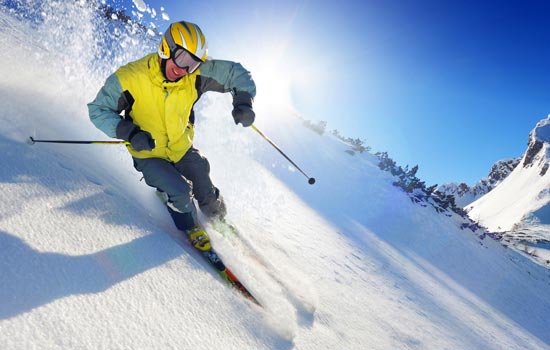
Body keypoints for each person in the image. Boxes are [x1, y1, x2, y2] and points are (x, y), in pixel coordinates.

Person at [88, 20, 256, 250]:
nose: (183, 69)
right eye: (182, 58)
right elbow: (99, 110)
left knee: (203, 182)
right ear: (166, 47)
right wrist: (129, 132)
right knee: (180, 192)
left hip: (181, 147)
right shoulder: (130, 77)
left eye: (193, 63)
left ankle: (217, 216)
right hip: (148, 152)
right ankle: (190, 226)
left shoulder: (193, 75)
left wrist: (244, 102)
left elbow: (236, 73)